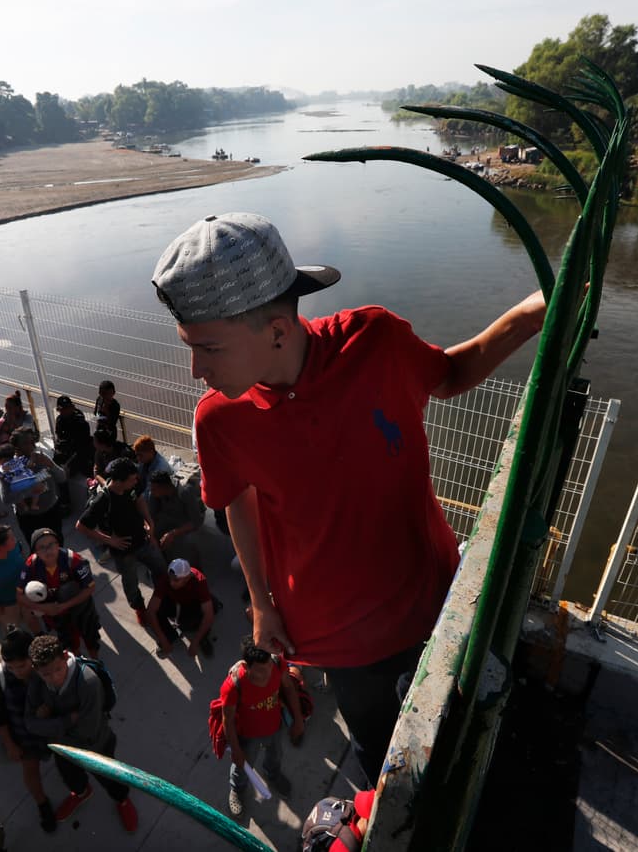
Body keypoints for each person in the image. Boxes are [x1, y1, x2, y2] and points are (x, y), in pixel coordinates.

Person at [152, 211, 546, 785]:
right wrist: (261, 602)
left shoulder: (375, 341)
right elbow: (236, 501)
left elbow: (451, 372)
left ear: (279, 331)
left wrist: (534, 315)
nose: (195, 370)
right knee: (377, 747)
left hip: (428, 596)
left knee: (459, 725)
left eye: (208, 349)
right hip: (332, 633)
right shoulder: (218, 419)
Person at [25, 635, 138, 832]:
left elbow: (88, 729)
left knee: (111, 779)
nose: (54, 677)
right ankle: (81, 792)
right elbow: (29, 723)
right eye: (46, 674)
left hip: (97, 745)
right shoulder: (36, 679)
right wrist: (67, 720)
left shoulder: (88, 682)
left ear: (66, 656)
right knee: (70, 777)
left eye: (58, 669)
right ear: (36, 669)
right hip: (64, 749)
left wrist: (48, 723)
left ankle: (122, 800)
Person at [75, 456, 167, 621]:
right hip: (124, 551)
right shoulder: (103, 500)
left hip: (143, 540)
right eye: (132, 479)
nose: (136, 481)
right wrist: (110, 541)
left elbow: (139, 499)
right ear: (118, 481)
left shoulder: (132, 484)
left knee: (161, 569)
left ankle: (164, 599)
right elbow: (81, 526)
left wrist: (149, 521)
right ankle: (140, 609)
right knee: (131, 583)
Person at [0, 628, 59, 833]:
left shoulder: (48, 669)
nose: (17, 672)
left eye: (22, 666)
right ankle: (42, 804)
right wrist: (9, 745)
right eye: (11, 667)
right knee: (31, 770)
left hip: (53, 733)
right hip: (24, 739)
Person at [220, 635, 302, 816]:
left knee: (276, 756)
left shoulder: (277, 665)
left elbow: (288, 689)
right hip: (247, 736)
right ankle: (237, 790)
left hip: (274, 727)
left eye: (268, 670)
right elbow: (228, 721)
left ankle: (272, 774)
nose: (266, 676)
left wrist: (298, 719)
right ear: (245, 667)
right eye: (259, 672)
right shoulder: (233, 686)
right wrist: (235, 750)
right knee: (242, 766)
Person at [16, 528, 101, 657]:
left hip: (80, 607)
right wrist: (42, 607)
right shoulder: (31, 565)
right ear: (36, 551)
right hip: (54, 613)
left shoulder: (73, 559)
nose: (47, 550)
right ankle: (77, 659)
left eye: (51, 544)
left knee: (90, 635)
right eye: (41, 547)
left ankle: (96, 662)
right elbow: (19, 596)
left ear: (58, 544)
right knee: (68, 641)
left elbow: (90, 588)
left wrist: (63, 606)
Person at [147, 558, 216, 658]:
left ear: (187, 578)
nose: (171, 583)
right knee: (157, 612)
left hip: (192, 603)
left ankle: (203, 637)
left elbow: (209, 615)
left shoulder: (199, 580)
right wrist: (163, 640)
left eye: (176, 580)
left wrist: (195, 642)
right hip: (174, 601)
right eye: (170, 578)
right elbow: (150, 611)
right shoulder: (166, 579)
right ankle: (170, 636)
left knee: (191, 623)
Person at [2, 430, 64, 540]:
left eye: (33, 441)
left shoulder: (42, 457)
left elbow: (62, 477)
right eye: (26, 443)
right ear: (16, 447)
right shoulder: (8, 468)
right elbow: (6, 498)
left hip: (52, 511)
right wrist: (30, 490)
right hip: (29, 518)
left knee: (58, 541)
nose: (32, 446)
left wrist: (51, 465)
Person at [147, 469, 204, 566]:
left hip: (186, 520)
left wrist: (172, 534)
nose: (151, 492)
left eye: (154, 489)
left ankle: (193, 570)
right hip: (168, 517)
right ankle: (165, 564)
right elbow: (150, 516)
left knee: (188, 542)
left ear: (164, 488)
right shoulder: (154, 493)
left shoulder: (185, 491)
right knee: (152, 537)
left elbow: (196, 521)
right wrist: (151, 535)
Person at [53, 395, 93, 478]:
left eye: (66, 408)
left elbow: (83, 441)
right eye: (62, 409)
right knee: (55, 466)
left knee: (76, 471)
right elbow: (59, 437)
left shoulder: (79, 421)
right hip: (67, 448)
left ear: (72, 407)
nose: (64, 411)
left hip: (78, 449)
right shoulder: (60, 420)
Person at [132, 435, 173, 501]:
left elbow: (149, 495)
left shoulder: (160, 468)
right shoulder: (145, 461)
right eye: (137, 455)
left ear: (151, 452)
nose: (138, 458)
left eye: (140, 455)